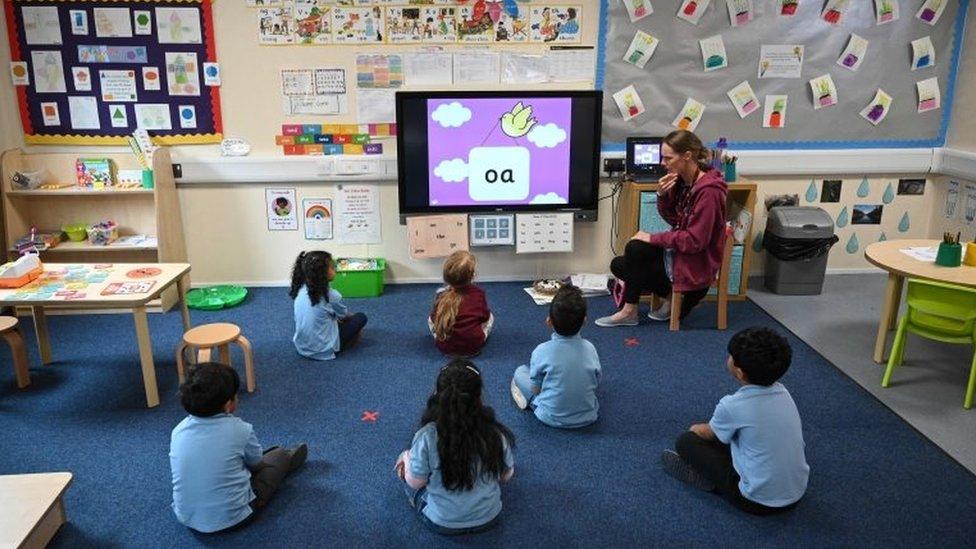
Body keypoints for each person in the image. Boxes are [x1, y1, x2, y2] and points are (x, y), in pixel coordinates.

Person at [660, 328, 809, 515]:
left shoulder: (732, 405)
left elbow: (704, 433)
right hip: (796, 493)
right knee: (741, 437)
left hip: (755, 502)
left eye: (730, 356)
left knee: (686, 441)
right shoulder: (784, 393)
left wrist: (695, 430)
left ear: (739, 372)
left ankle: (712, 483)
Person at [596, 129, 728, 327]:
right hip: (680, 255)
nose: (662, 163)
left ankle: (632, 310)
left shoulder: (709, 192)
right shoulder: (683, 181)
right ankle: (671, 298)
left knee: (636, 248)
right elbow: (674, 219)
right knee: (620, 264)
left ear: (687, 156)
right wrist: (661, 195)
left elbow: (694, 241)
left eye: (668, 158)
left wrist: (653, 238)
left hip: (695, 264)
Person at [170, 363, 308, 533]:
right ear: (229, 405)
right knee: (276, 457)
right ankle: (286, 459)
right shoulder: (240, 429)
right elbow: (257, 464)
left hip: (186, 517)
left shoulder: (178, 431)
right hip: (234, 517)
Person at [394, 359, 516, 535]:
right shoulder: (494, 432)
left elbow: (415, 482)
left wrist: (406, 457)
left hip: (442, 523)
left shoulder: (427, 436)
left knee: (407, 472)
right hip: (490, 517)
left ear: (437, 394)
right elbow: (506, 476)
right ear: (479, 397)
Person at [510, 285, 602, 428]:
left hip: (549, 416)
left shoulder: (541, 351)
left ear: (549, 321)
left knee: (520, 371)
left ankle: (531, 402)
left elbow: (536, 388)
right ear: (584, 321)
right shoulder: (590, 348)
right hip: (589, 416)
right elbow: (596, 381)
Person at [290, 250, 367, 360]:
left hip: (302, 347)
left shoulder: (300, 289)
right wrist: (349, 318)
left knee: (330, 317)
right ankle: (341, 344)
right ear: (322, 274)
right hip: (324, 349)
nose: (334, 269)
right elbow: (344, 315)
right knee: (361, 317)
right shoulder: (331, 295)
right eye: (331, 267)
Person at [429, 250, 493, 358]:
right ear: (473, 275)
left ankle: (444, 338)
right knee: (491, 317)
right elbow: (485, 317)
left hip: (446, 348)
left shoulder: (441, 295)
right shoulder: (479, 294)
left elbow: (433, 318)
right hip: (473, 348)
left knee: (431, 320)